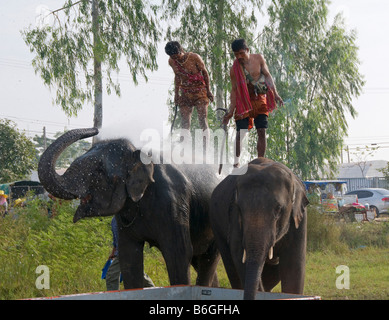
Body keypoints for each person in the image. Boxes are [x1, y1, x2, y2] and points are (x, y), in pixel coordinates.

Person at [223, 39, 284, 167]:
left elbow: (267, 76)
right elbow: (234, 90)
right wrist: (230, 110)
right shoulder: (234, 69)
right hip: (243, 102)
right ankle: (236, 163)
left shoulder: (259, 59)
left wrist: (276, 94)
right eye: (236, 54)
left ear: (247, 50)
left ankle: (261, 161)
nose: (239, 57)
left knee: (262, 130)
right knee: (241, 132)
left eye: (241, 53)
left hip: (260, 100)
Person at [165, 41, 214, 135]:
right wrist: (176, 94)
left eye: (176, 56)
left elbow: (205, 73)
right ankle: (184, 148)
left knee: (202, 120)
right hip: (185, 92)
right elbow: (177, 76)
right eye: (172, 57)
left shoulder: (194, 57)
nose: (175, 59)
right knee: (184, 122)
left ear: (181, 51)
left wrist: (208, 91)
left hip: (200, 91)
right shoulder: (172, 61)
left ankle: (205, 149)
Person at [105, 216, 154, 291]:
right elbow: (115, 241)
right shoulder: (114, 220)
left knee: (111, 276)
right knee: (139, 274)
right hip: (120, 253)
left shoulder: (128, 218)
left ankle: (154, 291)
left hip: (129, 252)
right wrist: (113, 253)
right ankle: (154, 290)